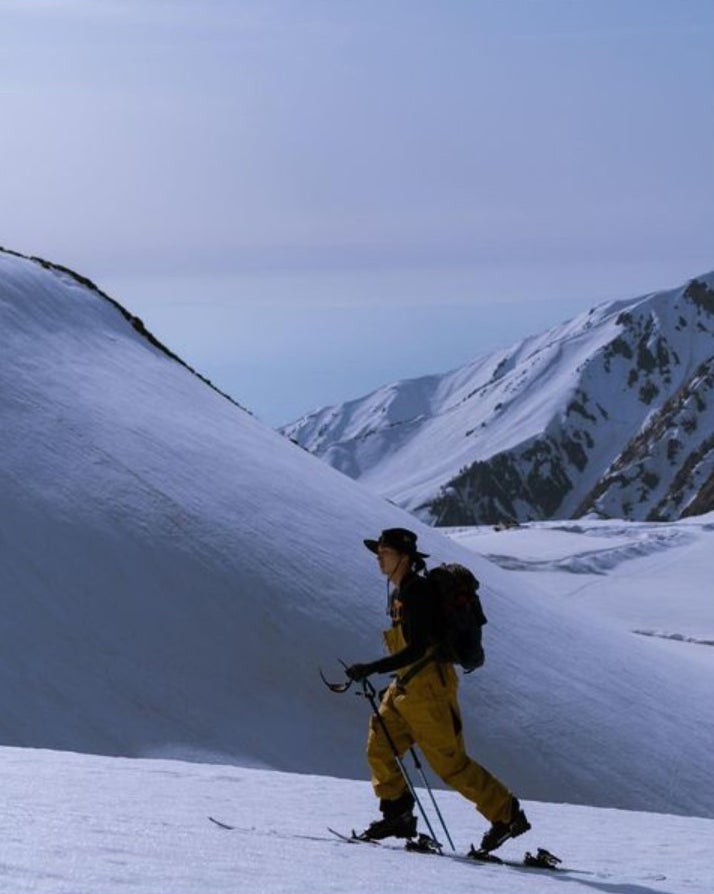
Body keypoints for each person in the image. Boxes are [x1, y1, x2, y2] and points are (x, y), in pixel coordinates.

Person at [346, 527, 530, 853]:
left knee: (451, 765)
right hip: (406, 686)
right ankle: (397, 813)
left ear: (404, 556)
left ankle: (507, 814)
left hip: (428, 689)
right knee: (380, 744)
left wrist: (373, 668)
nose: (379, 558)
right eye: (378, 552)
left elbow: (419, 648)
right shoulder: (401, 592)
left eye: (384, 552)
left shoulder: (417, 593)